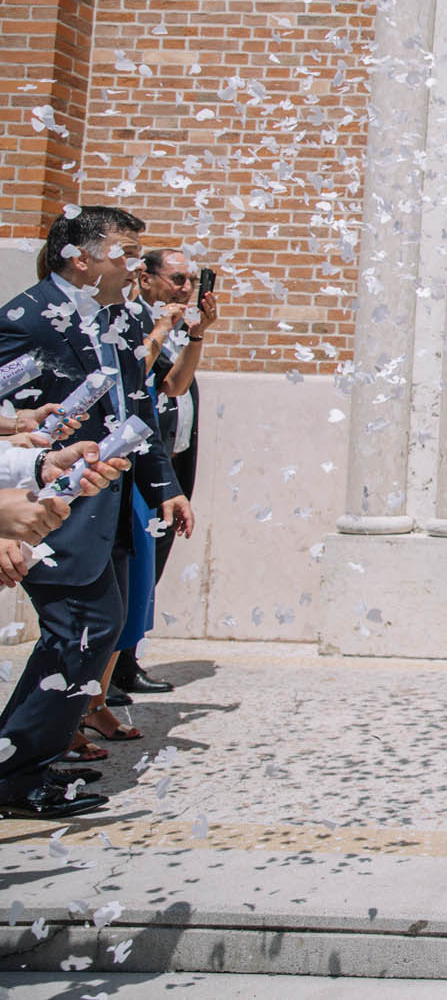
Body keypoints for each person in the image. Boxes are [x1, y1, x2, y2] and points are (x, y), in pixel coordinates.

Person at [0, 205, 192, 817]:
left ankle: (28, 760)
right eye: (126, 252)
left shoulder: (117, 317)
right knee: (84, 625)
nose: (136, 265)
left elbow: (134, 404)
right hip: (45, 507)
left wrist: (164, 485)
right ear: (80, 258)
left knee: (95, 625)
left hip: (105, 497)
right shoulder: (26, 320)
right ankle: (16, 769)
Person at [112, 247, 217, 700]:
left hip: (169, 463)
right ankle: (107, 675)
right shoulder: (129, 321)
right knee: (129, 573)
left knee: (147, 572)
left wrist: (196, 336)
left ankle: (123, 663)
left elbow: (175, 384)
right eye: (177, 279)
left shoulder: (169, 328)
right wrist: (162, 329)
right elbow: (136, 377)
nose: (186, 288)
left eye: (191, 281)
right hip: (135, 469)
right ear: (145, 277)